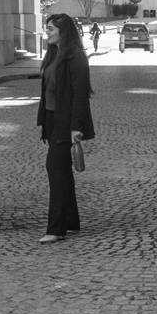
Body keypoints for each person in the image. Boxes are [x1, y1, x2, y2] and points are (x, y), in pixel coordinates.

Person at [37, 13, 94, 244]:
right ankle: (70, 221)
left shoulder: (76, 56)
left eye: (51, 29)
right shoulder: (53, 54)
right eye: (47, 28)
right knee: (62, 170)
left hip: (66, 122)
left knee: (55, 168)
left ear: (63, 31)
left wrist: (75, 127)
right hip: (52, 120)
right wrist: (42, 122)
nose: (47, 32)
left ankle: (56, 228)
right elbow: (46, 93)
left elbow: (80, 95)